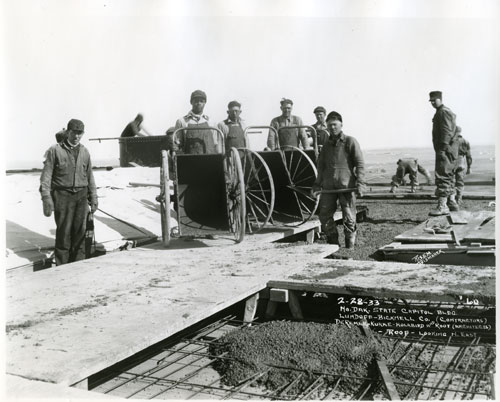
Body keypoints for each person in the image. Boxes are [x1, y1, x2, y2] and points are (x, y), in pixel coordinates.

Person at [39, 119, 98, 266]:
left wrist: (94, 196)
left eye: (80, 133)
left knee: (80, 232)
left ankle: (78, 266)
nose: (77, 136)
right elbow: (46, 177)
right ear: (67, 132)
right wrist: (46, 197)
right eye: (74, 133)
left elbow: (90, 176)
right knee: (64, 233)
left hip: (81, 196)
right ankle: (62, 267)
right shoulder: (55, 150)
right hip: (62, 196)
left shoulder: (85, 152)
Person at [312, 111, 365, 249]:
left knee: (349, 217)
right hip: (328, 188)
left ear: (341, 124)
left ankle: (350, 247)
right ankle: (333, 245)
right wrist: (317, 185)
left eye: (335, 125)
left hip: (346, 187)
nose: (332, 128)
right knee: (324, 216)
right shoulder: (326, 146)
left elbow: (359, 164)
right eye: (329, 125)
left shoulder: (350, 142)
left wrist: (360, 184)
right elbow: (321, 167)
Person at [428, 91, 459, 215]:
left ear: (440, 99)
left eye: (434, 100)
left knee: (443, 175)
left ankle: (442, 206)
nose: (432, 103)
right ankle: (452, 203)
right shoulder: (444, 111)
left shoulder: (443, 112)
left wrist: (443, 147)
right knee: (449, 175)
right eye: (431, 101)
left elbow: (447, 131)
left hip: (445, 148)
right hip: (449, 149)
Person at [173, 90, 221, 154]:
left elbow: (216, 144)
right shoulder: (182, 121)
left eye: (201, 101)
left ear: (205, 103)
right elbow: (177, 145)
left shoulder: (211, 122)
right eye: (196, 101)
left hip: (210, 160)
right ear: (191, 102)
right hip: (189, 161)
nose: (199, 103)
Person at [453, 126, 472, 204]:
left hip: (452, 161)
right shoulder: (465, 141)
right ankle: (459, 198)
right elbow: (469, 156)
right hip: (461, 160)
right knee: (460, 181)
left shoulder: (451, 141)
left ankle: (451, 199)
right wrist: (469, 167)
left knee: (450, 181)